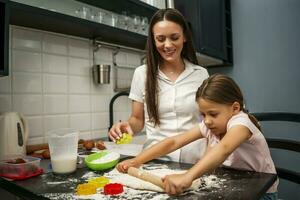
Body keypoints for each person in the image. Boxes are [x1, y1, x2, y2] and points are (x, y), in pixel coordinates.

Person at [117, 74, 278, 199]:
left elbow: (224, 148)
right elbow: (174, 141)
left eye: (213, 114)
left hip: (262, 193)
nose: (207, 121)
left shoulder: (241, 123)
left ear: (235, 108)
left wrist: (188, 176)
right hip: (235, 187)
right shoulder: (211, 125)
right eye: (203, 114)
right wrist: (137, 161)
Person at [108, 8, 209, 163]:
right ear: (153, 41)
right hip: (156, 161)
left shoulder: (201, 74)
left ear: (185, 37)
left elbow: (209, 118)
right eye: (161, 39)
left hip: (196, 161)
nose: (167, 45)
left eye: (174, 37)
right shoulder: (142, 74)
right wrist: (126, 126)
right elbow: (137, 119)